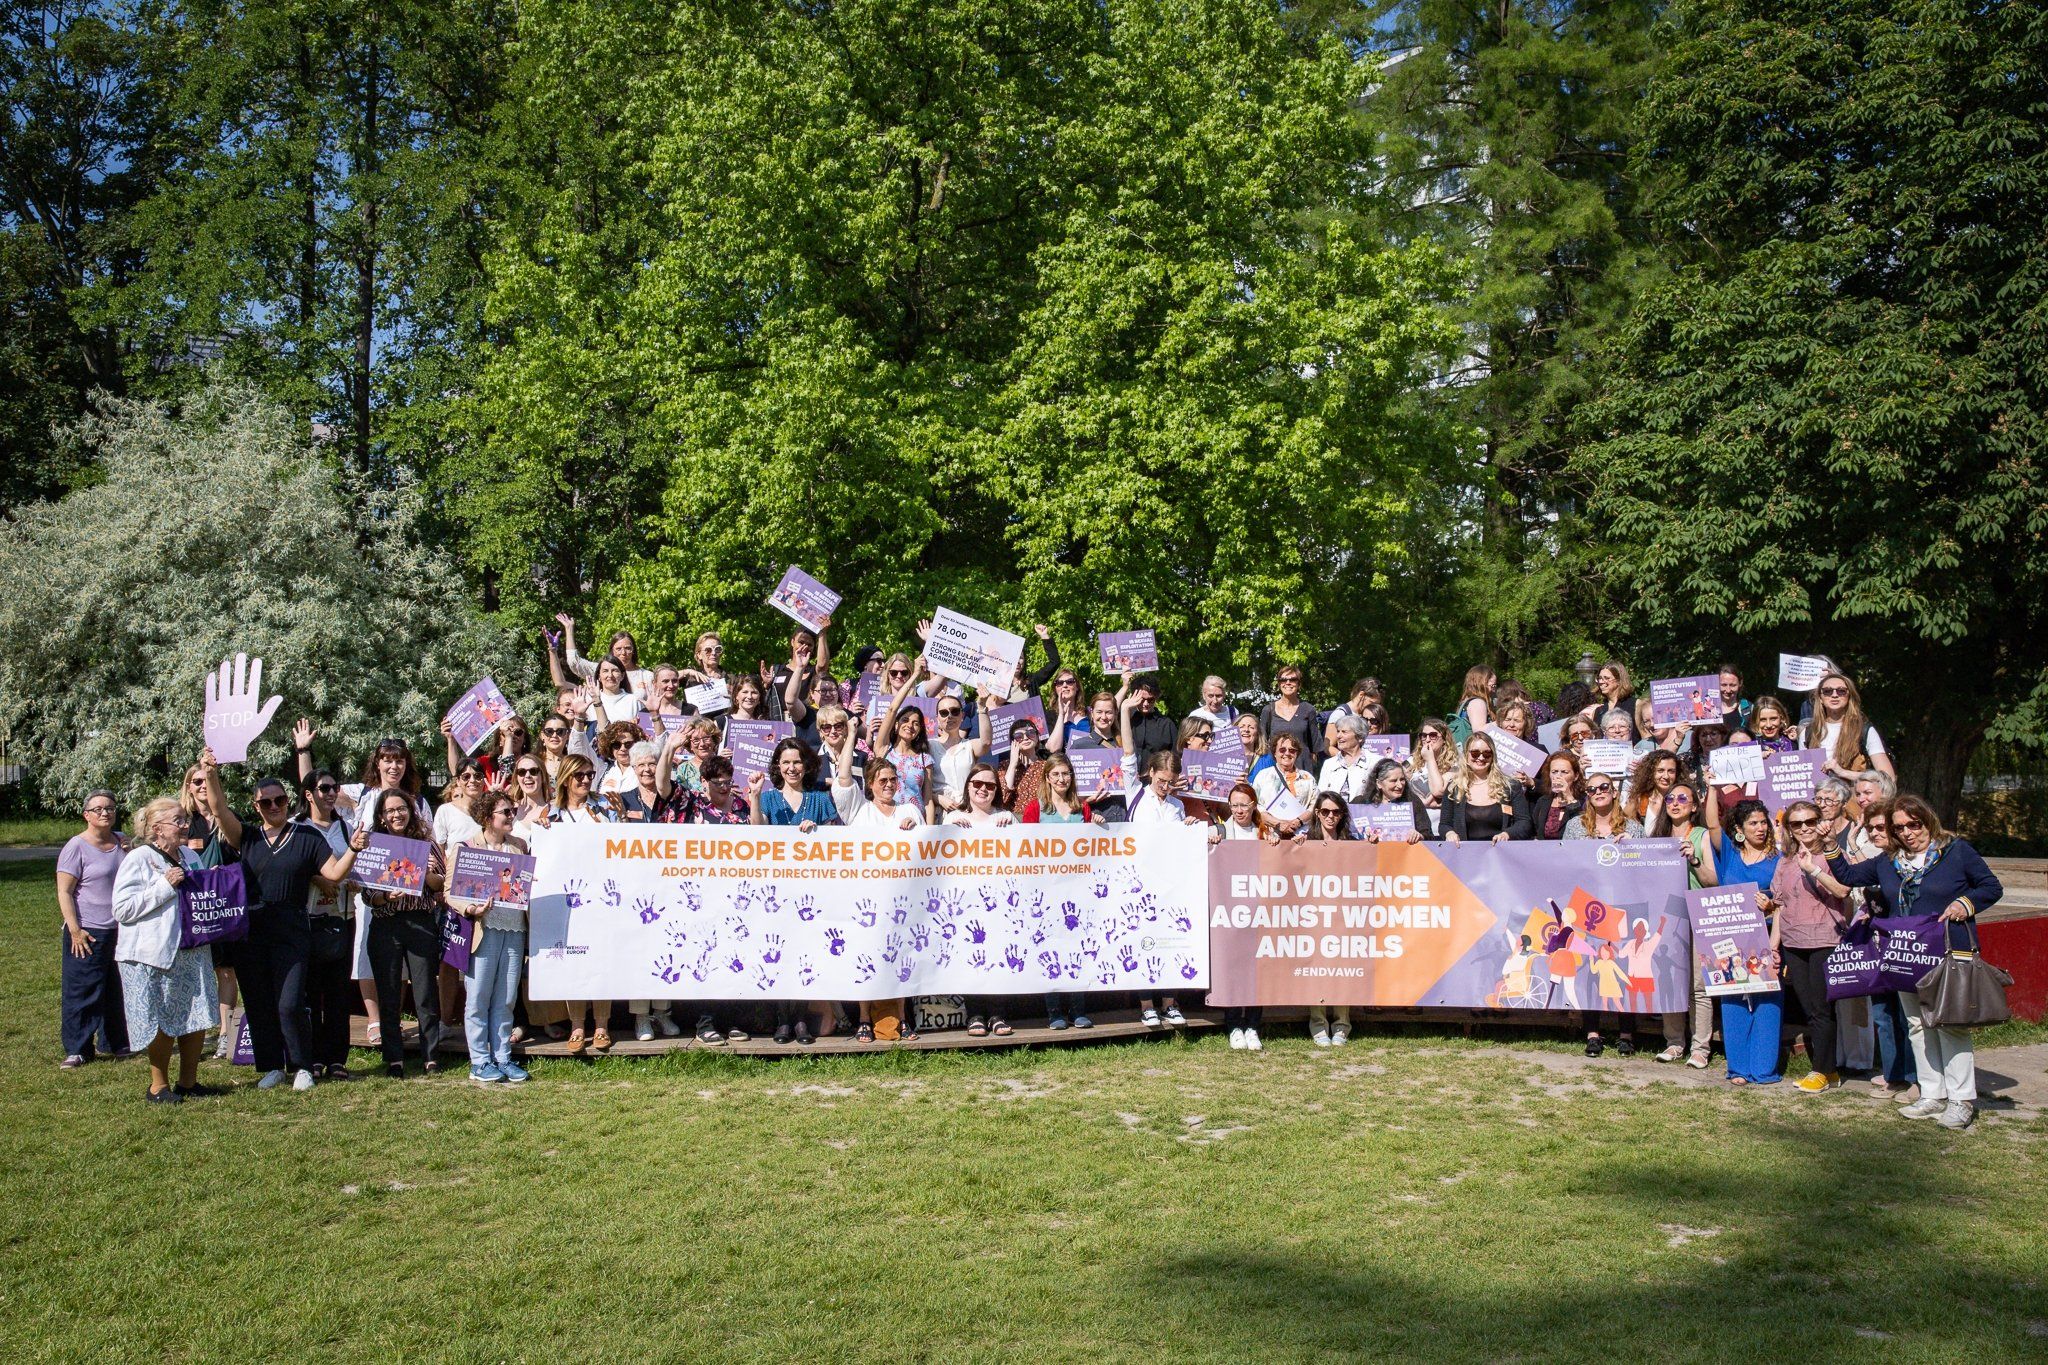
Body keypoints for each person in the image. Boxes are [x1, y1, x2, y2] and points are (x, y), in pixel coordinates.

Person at [1826, 794, 2001, 1129]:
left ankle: (1961, 1100)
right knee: (1918, 1026)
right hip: (1906, 954)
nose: (1907, 832)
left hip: (1948, 953)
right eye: (1899, 827)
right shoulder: (1888, 861)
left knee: (1950, 1025)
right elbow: (1847, 874)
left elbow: (1991, 887)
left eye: (1913, 824)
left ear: (1927, 820)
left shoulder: (1955, 852)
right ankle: (1932, 1093)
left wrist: (1966, 902)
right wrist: (1829, 843)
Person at [204, 751, 364, 1092]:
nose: (273, 806)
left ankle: (303, 1065)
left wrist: (352, 849)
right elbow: (218, 810)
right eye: (266, 803)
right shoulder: (246, 838)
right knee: (259, 1003)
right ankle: (273, 1066)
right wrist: (212, 775)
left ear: (288, 802)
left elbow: (334, 875)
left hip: (292, 931)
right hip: (251, 931)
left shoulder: (307, 838)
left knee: (290, 1003)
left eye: (279, 800)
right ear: (256, 806)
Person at [111, 797, 219, 1102]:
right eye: (179, 821)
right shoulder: (139, 859)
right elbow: (121, 909)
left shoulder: (189, 855)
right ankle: (158, 1085)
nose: (185, 825)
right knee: (161, 1019)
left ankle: (189, 1081)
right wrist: (164, 886)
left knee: (195, 1014)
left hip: (192, 950)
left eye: (185, 820)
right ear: (157, 828)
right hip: (152, 955)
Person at [356, 788, 451, 1079]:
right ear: (381, 817)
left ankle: (431, 1056)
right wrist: (386, 897)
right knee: (389, 993)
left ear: (410, 811)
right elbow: (366, 895)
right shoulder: (373, 846)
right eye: (390, 811)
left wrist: (427, 875)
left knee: (424, 992)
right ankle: (394, 1057)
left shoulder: (425, 844)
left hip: (420, 922)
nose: (396, 815)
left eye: (401, 809)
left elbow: (441, 886)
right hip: (386, 923)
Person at [446, 790, 534, 1085]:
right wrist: (471, 908)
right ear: (487, 818)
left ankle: (503, 1056)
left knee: (506, 997)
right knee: (478, 996)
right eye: (506, 812)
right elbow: (449, 892)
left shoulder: (518, 847)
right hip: (483, 931)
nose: (512, 816)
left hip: (514, 930)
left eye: (512, 811)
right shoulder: (467, 848)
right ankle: (479, 1060)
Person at [1772, 800, 1854, 1092]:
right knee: (1809, 1008)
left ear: (1820, 823)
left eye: (1809, 821)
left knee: (1821, 1009)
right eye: (1797, 824)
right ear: (1789, 829)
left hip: (1824, 938)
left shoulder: (1832, 854)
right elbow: (1780, 906)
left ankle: (1820, 1071)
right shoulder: (1784, 861)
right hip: (1794, 941)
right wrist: (1774, 947)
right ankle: (1829, 1071)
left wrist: (1814, 871)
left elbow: (1844, 890)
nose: (1804, 828)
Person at [1702, 795, 1783, 1085]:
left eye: (1764, 823)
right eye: (1753, 823)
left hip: (1766, 935)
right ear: (1740, 828)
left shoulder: (1779, 859)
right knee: (1733, 997)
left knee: (1767, 999)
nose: (1760, 828)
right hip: (1729, 937)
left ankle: (1764, 1069)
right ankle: (1738, 1068)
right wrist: (1712, 786)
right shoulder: (1729, 855)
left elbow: (1784, 900)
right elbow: (1712, 823)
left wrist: (1771, 905)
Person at [548, 754, 620, 1054]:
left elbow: (621, 843)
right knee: (572, 961)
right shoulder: (550, 815)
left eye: (590, 774)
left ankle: (602, 1025)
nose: (586, 780)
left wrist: (608, 819)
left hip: (601, 893)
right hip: (566, 899)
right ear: (566, 777)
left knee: (600, 958)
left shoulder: (604, 806)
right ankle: (577, 1025)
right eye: (579, 775)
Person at [1844, 798, 1916, 1098]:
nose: (1875, 833)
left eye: (1881, 827)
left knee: (1908, 1017)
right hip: (1876, 944)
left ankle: (1916, 1078)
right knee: (1884, 1016)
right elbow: (1851, 875)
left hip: (1907, 947)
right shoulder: (1880, 862)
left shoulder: (1908, 862)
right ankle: (1894, 1075)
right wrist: (1844, 842)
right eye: (1870, 828)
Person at [1645, 783, 1717, 1066]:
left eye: (1683, 798)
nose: (1675, 803)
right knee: (1670, 980)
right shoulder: (1658, 837)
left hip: (1697, 912)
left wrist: (1694, 859)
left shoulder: (1701, 836)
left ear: (1695, 805)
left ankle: (1700, 1047)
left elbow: (1712, 879)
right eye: (1670, 799)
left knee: (1699, 984)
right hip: (1668, 916)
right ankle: (1674, 1042)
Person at [57, 790, 129, 1068]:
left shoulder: (122, 842)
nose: (104, 813)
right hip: (87, 930)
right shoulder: (76, 846)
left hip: (120, 929)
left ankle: (116, 1042)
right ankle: (78, 1048)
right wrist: (75, 929)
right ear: (86, 814)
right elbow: (64, 891)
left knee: (115, 989)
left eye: (109, 808)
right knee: (83, 989)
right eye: (97, 809)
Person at [295, 769, 359, 1080]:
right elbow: (289, 869)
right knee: (310, 991)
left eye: (334, 787)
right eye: (324, 788)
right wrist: (318, 878)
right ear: (309, 794)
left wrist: (356, 882)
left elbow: (356, 867)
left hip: (342, 917)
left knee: (338, 992)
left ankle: (337, 1059)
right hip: (307, 919)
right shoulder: (296, 829)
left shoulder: (346, 829)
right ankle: (314, 1056)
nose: (331, 793)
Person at [1128, 750, 1197, 1028]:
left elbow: (1180, 845)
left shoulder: (1176, 806)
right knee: (1144, 943)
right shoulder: (1135, 793)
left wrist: (1188, 828)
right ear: (1151, 773)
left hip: (1171, 883)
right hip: (1141, 882)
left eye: (1171, 782)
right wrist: (1124, 710)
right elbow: (1128, 757)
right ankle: (1147, 1007)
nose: (1166, 786)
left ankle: (1169, 1003)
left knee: (1171, 943)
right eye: (1162, 781)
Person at [1214, 782, 1267, 1050]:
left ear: (1253, 805)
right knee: (1233, 970)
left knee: (1257, 971)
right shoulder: (1220, 831)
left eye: (1243, 805)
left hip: (1260, 913)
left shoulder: (1264, 832)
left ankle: (1253, 1026)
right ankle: (1234, 1025)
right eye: (1234, 805)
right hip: (1230, 915)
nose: (1238, 810)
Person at [1439, 734, 1531, 843]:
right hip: (1464, 855)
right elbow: (1444, 824)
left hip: (1502, 855)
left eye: (1487, 754)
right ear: (1466, 755)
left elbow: (1524, 823)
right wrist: (1449, 833)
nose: (1481, 758)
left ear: (1493, 757)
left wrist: (1507, 834)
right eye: (1475, 753)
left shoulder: (1511, 786)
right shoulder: (1454, 787)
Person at [1803, 672, 1896, 780]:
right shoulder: (1808, 732)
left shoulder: (1864, 730)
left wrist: (1843, 772)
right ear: (1820, 698)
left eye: (1841, 691)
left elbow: (1889, 778)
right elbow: (1803, 778)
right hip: (1819, 796)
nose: (1834, 695)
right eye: (1827, 691)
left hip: (1853, 795)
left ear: (1849, 696)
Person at [752, 739, 842, 830]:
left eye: (797, 762)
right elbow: (757, 831)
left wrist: (816, 831)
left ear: (806, 765)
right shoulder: (767, 799)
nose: (791, 768)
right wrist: (755, 794)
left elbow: (831, 838)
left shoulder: (821, 800)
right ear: (778, 765)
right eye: (786, 762)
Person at [1252, 734, 1316, 839]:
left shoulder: (1307, 778)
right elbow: (1256, 806)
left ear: (1297, 754)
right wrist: (1277, 823)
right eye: (1282, 750)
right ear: (1274, 753)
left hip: (1300, 836)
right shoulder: (1263, 775)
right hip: (1270, 836)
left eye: (1292, 750)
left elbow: (1315, 805)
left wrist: (1298, 822)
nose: (1287, 753)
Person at [1259, 665, 1323, 766]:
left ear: (1299, 684)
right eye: (1283, 680)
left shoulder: (1308, 709)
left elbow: (1315, 746)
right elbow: (1261, 744)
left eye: (1293, 679)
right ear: (1279, 684)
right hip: (1276, 767)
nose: (1288, 683)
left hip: (1302, 767)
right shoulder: (1268, 710)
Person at [1358, 759, 1430, 843]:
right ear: (1379, 783)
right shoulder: (1362, 803)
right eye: (1393, 781)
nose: (1399, 785)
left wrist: (1419, 836)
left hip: (1405, 853)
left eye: (1402, 779)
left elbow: (1428, 834)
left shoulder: (1412, 801)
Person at [1121, 674, 1178, 769]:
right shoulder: (1125, 719)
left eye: (1150, 700)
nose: (1146, 704)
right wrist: (1125, 686)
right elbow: (1109, 709)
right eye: (1142, 699)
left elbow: (1176, 756)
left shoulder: (1167, 725)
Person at [1563, 773, 1642, 841]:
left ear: (1614, 793)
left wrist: (1632, 845)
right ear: (1588, 796)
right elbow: (1566, 856)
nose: (1598, 792)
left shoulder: (1634, 828)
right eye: (1591, 789)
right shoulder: (1574, 825)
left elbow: (1646, 856)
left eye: (1604, 787)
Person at [1316, 715, 1374, 800]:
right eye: (1338, 731)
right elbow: (1321, 796)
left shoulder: (1374, 762)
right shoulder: (1329, 764)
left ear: (1360, 737)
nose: (1338, 736)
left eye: (1344, 732)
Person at [1531, 752, 1584, 841]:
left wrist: (1568, 796)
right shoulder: (1543, 801)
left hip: (1570, 851)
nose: (1558, 776)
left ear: (1575, 776)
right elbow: (1535, 829)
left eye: (1564, 772)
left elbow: (1581, 826)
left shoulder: (1583, 800)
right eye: (1554, 772)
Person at [1595, 661, 1637, 739]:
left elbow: (1645, 735)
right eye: (1599, 678)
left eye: (1606, 678)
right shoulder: (1599, 710)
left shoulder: (1635, 705)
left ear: (1618, 680)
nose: (1601, 682)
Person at [1453, 665, 1495, 737]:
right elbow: (1479, 731)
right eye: (1492, 686)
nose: (1494, 690)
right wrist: (1502, 721)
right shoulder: (1478, 703)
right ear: (1481, 684)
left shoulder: (1466, 702)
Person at [1717, 664, 1753, 732]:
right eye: (1724, 685)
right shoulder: (1708, 710)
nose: (1728, 690)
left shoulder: (1748, 709)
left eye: (1732, 685)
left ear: (1740, 683)